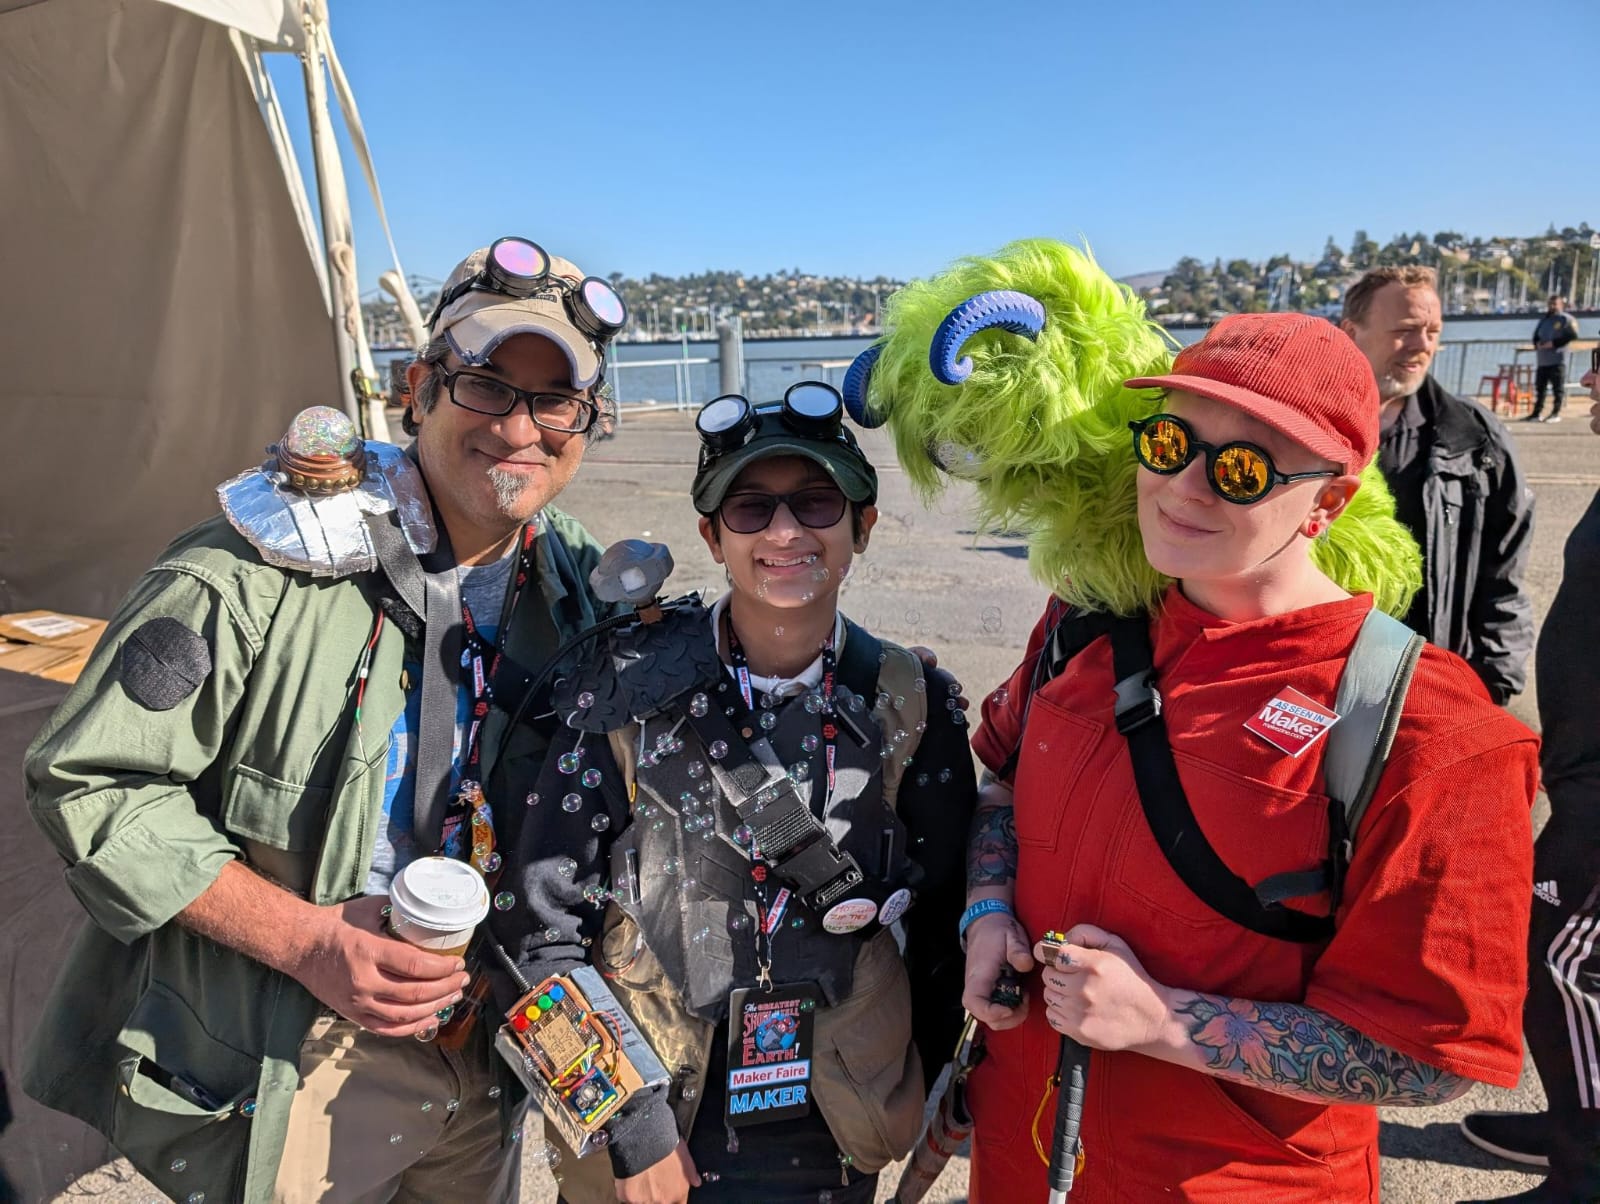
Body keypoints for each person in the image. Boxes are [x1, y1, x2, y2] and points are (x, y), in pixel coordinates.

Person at [21, 236, 627, 1203]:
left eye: (555, 400)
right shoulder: (250, 571)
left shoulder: (571, 583)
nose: (521, 427)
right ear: (418, 388)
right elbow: (93, 781)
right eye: (486, 385)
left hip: (485, 1053)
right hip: (298, 1049)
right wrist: (311, 943)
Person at [959, 313, 1539, 1202]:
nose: (1184, 487)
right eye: (1168, 441)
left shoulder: (1427, 728)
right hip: (1020, 1159)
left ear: (1328, 505)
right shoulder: (1080, 627)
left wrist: (1163, 1021)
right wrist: (987, 911)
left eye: (1241, 469)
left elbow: (1429, 1058)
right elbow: (1001, 786)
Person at [490, 383, 975, 1203]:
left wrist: (898, 1093)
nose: (785, 532)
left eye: (817, 504)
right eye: (751, 511)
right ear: (712, 538)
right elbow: (532, 930)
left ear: (865, 526)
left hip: (837, 1127)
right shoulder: (620, 696)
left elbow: (942, 929)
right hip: (647, 1135)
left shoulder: (912, 700)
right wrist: (626, 1124)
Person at [1460, 357, 1600, 1204]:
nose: (1594, 385)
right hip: (1581, 770)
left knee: (1552, 955)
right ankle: (1575, 1118)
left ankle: (1585, 1164)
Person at [1341, 265, 1535, 704]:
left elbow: (1503, 578)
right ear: (1351, 332)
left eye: (1433, 331)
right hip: (1327, 684)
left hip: (1435, 685)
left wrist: (1492, 686)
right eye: (1406, 330)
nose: (1422, 345)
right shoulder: (1302, 433)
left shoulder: (1475, 440)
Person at [1529, 295, 1580, 423]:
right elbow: (1535, 336)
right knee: (1540, 388)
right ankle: (1536, 413)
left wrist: (1554, 343)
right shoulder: (1544, 319)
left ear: (1561, 305)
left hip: (1557, 359)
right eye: (1550, 304)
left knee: (1558, 388)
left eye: (1554, 304)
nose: (1552, 307)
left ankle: (1555, 413)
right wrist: (1537, 344)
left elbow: (1573, 335)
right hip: (1543, 360)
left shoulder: (1565, 319)